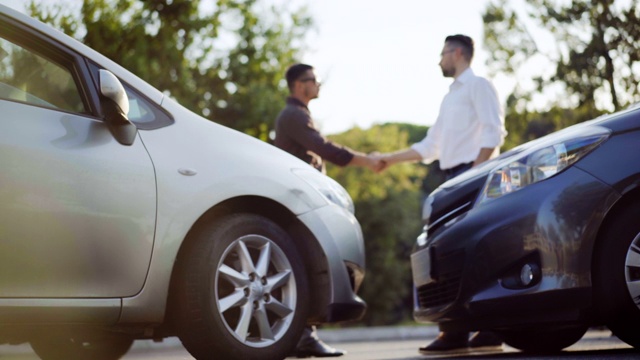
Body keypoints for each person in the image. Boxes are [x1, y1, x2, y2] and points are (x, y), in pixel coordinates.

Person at [376, 35, 507, 354]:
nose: (439, 60)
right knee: (445, 253)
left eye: (443, 53)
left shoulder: (479, 86)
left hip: (471, 176)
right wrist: (388, 159)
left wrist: (473, 178)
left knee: (472, 250)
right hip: (450, 179)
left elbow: (493, 132)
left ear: (458, 53)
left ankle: (478, 329)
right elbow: (429, 147)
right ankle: (458, 330)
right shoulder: (450, 98)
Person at [274, 63, 381, 358]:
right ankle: (303, 336)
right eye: (313, 80)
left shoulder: (297, 114)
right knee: (305, 266)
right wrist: (368, 161)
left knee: (301, 267)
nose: (318, 85)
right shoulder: (294, 115)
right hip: (297, 203)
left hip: (298, 202)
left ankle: (302, 336)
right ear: (299, 85)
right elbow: (328, 150)